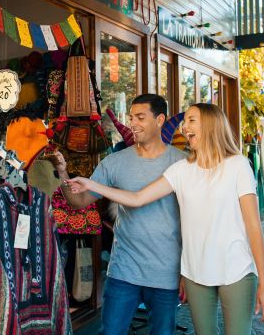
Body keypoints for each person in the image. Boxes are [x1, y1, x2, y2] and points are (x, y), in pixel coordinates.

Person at [65, 103, 264, 335]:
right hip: (196, 273)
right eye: (184, 122)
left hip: (236, 270)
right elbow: (137, 198)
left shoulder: (237, 165)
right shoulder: (181, 169)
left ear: (211, 124)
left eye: (191, 121)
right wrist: (92, 184)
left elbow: (253, 226)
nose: (184, 127)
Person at [45, 94, 186, 335]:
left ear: (160, 119)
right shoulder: (114, 162)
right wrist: (64, 174)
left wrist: (186, 271)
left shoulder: (182, 162)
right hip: (124, 270)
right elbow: (79, 202)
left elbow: (191, 221)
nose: (134, 123)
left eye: (141, 117)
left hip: (166, 271)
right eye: (132, 118)